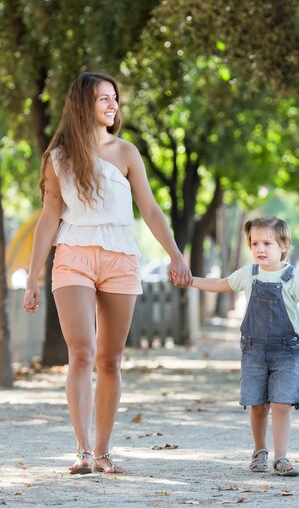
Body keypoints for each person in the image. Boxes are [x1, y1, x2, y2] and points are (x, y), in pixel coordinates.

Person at [22, 72, 191, 474]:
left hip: (121, 258)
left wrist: (175, 255)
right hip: (73, 255)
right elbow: (48, 219)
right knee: (80, 353)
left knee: (110, 360)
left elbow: (149, 209)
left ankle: (102, 453)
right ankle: (81, 451)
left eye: (114, 98)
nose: (112, 105)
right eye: (103, 98)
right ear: (84, 104)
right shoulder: (58, 158)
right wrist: (32, 277)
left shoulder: (127, 152)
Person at [189, 215, 299, 477]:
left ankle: (281, 457)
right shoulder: (248, 274)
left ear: (283, 246)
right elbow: (220, 285)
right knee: (257, 404)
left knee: (282, 403)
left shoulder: (292, 277)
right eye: (254, 244)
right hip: (253, 350)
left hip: (285, 351)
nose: (260, 249)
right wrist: (191, 281)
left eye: (267, 243)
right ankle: (259, 451)